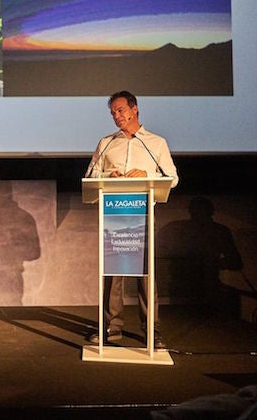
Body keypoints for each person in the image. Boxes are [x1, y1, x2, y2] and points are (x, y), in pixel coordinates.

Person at [85, 90, 178, 349]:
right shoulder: (106, 143)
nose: (117, 116)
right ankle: (111, 329)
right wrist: (107, 175)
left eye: (121, 110)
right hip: (114, 214)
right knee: (112, 274)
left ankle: (151, 331)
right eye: (113, 113)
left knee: (146, 274)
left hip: (142, 215)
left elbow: (173, 177)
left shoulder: (155, 142)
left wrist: (147, 173)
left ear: (134, 109)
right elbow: (90, 176)